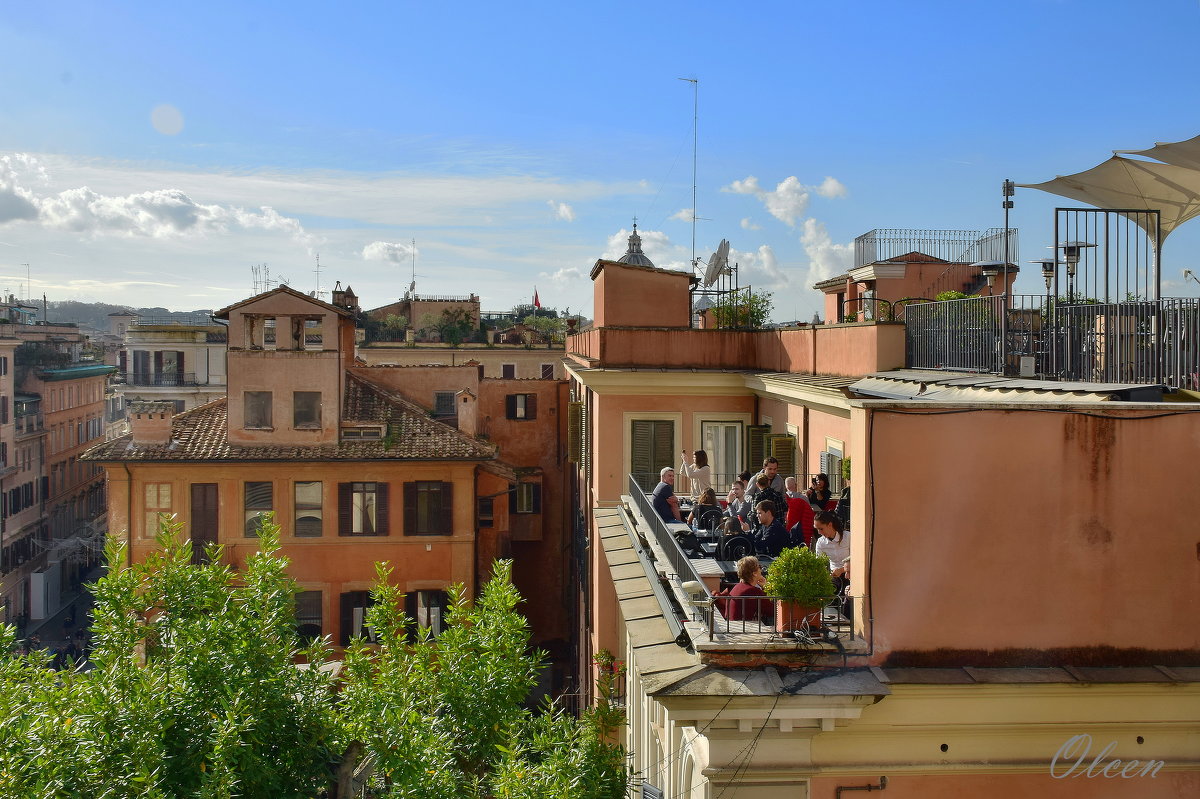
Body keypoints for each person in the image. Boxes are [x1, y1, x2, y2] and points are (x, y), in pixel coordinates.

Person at [814, 510, 851, 617]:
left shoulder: (848, 537)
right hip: (835, 577)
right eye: (817, 529)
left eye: (821, 529)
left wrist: (842, 570)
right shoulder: (821, 542)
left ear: (830, 525)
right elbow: (819, 564)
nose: (819, 532)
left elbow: (857, 558)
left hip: (851, 574)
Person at [717, 555, 772, 623]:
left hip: (732, 626)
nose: (761, 569)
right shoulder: (752, 591)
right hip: (741, 629)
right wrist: (766, 587)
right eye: (759, 567)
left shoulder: (738, 586)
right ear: (754, 573)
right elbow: (772, 610)